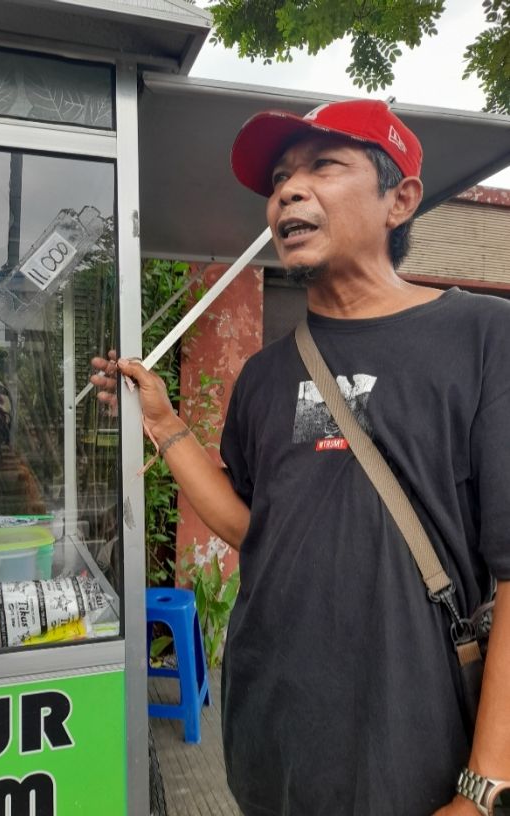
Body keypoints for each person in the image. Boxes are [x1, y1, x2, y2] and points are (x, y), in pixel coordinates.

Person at [92, 99, 510, 816]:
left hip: (412, 744)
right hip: (271, 733)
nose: (288, 190)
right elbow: (252, 526)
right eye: (280, 178)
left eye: (323, 166)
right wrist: (161, 422)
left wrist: (483, 784)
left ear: (399, 200)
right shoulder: (264, 374)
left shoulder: (484, 338)